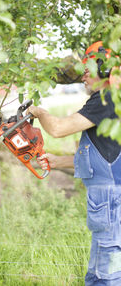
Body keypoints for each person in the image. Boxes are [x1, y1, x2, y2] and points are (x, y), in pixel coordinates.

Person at [27, 41, 121, 286]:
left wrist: (40, 112)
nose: (83, 76)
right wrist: (57, 162)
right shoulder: (110, 102)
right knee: (96, 277)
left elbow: (58, 129)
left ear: (106, 68)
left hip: (111, 208)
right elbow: (105, 159)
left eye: (89, 69)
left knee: (108, 279)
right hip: (107, 207)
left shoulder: (106, 99)